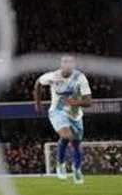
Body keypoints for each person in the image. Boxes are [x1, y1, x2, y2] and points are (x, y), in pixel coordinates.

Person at [34, 55, 93, 184]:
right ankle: (60, 165)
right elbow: (38, 83)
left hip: (76, 116)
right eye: (65, 62)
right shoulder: (53, 76)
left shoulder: (80, 78)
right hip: (57, 112)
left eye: (70, 63)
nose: (67, 65)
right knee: (66, 136)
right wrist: (37, 103)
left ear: (73, 65)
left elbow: (88, 102)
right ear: (61, 65)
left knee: (76, 143)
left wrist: (74, 102)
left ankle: (76, 169)